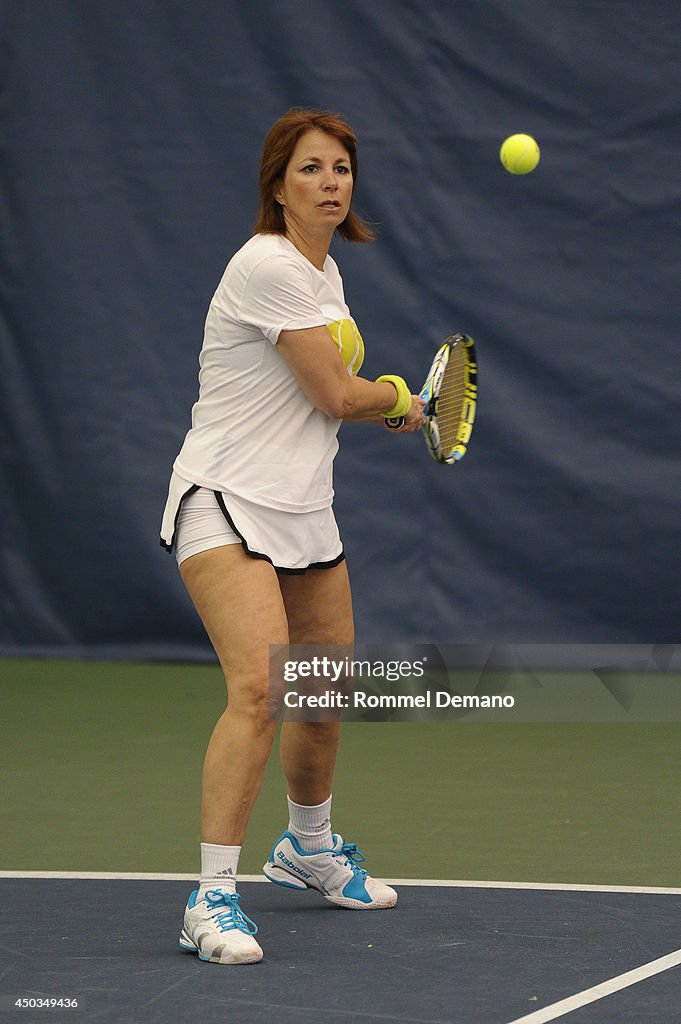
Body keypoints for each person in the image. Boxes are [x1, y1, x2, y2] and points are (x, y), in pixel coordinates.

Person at [160, 108, 424, 965]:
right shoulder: (267, 263)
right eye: (309, 169)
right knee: (259, 691)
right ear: (278, 187)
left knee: (319, 694)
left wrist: (371, 399)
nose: (329, 181)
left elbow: (335, 389)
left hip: (304, 508)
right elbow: (335, 395)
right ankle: (210, 900)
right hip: (225, 499)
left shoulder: (324, 276)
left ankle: (307, 847)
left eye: (340, 167)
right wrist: (392, 397)